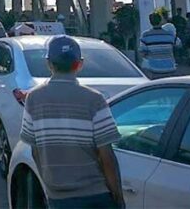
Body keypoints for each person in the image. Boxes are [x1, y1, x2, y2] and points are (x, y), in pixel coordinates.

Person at [20, 36, 125, 209]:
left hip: (58, 196)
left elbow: (35, 150)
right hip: (95, 195)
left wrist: (48, 185)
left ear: (48, 64)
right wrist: (118, 196)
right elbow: (106, 155)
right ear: (79, 64)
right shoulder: (94, 99)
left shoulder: (33, 99)